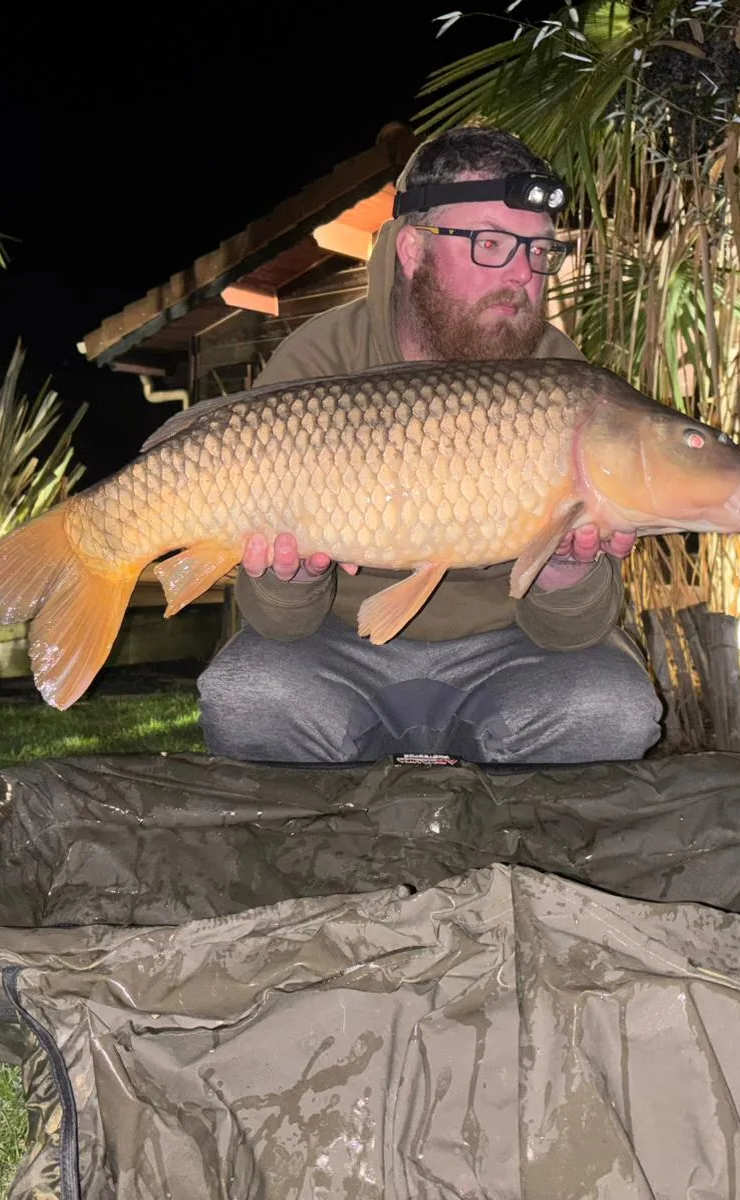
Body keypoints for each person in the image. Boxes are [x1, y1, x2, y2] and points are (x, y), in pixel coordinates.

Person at [195, 126, 664, 764]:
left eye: (538, 251)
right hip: (341, 650)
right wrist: (291, 582)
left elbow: (574, 631)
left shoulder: (557, 373)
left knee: (614, 707)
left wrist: (567, 576)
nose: (523, 276)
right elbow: (279, 623)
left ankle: (496, 838)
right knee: (247, 695)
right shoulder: (322, 357)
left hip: (504, 655)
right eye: (491, 244)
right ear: (414, 249)